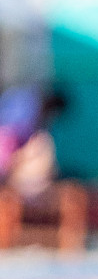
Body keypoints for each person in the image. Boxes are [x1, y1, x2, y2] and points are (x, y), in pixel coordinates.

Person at [0, 86, 86, 252]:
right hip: (14, 167)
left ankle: (70, 243)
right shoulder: (24, 110)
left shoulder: (39, 137)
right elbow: (10, 140)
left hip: (27, 174)